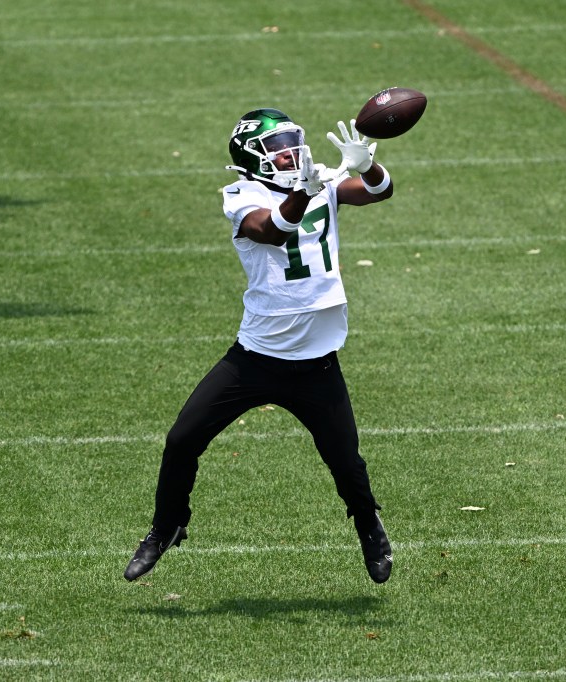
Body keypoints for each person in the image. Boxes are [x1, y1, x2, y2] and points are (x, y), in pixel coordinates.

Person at [124, 109, 395, 583]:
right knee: (182, 440)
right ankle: (167, 527)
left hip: (316, 363)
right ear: (253, 157)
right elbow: (269, 230)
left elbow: (379, 191)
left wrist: (365, 165)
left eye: (293, 141)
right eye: (278, 147)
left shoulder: (318, 183)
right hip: (257, 357)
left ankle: (369, 525)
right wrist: (303, 192)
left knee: (345, 460)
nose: (291, 152)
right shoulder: (241, 194)